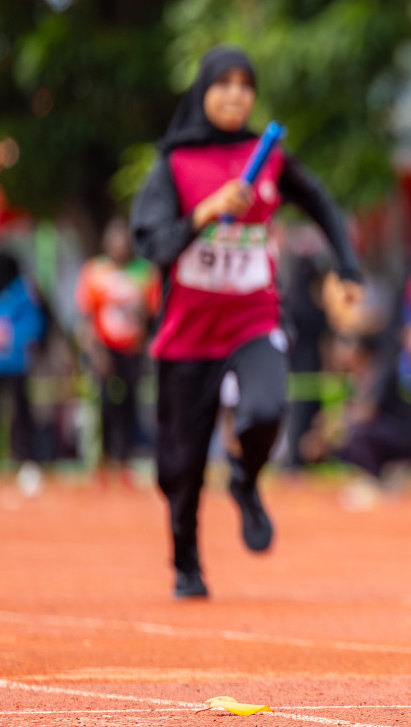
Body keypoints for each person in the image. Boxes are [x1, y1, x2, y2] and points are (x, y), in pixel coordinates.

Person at [130, 46, 362, 600]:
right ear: (202, 91)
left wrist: (347, 265)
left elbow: (321, 203)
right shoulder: (174, 165)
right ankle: (186, 562)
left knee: (264, 409)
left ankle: (246, 478)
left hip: (254, 318)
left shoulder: (269, 155)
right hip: (187, 334)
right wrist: (204, 213)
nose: (236, 95)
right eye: (223, 84)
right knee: (179, 469)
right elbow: (153, 244)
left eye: (245, 85)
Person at [75, 218, 161, 476]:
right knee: (104, 405)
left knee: (131, 405)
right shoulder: (95, 272)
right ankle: (102, 460)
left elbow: (152, 316)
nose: (119, 244)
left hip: (132, 351)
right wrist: (95, 352)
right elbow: (85, 318)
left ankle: (125, 460)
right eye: (114, 237)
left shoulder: (144, 273)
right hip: (104, 350)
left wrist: (145, 344)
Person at [0, 250, 45, 484]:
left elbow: (34, 324)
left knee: (21, 413)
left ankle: (27, 460)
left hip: (16, 363)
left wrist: (9, 336)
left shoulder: (22, 291)